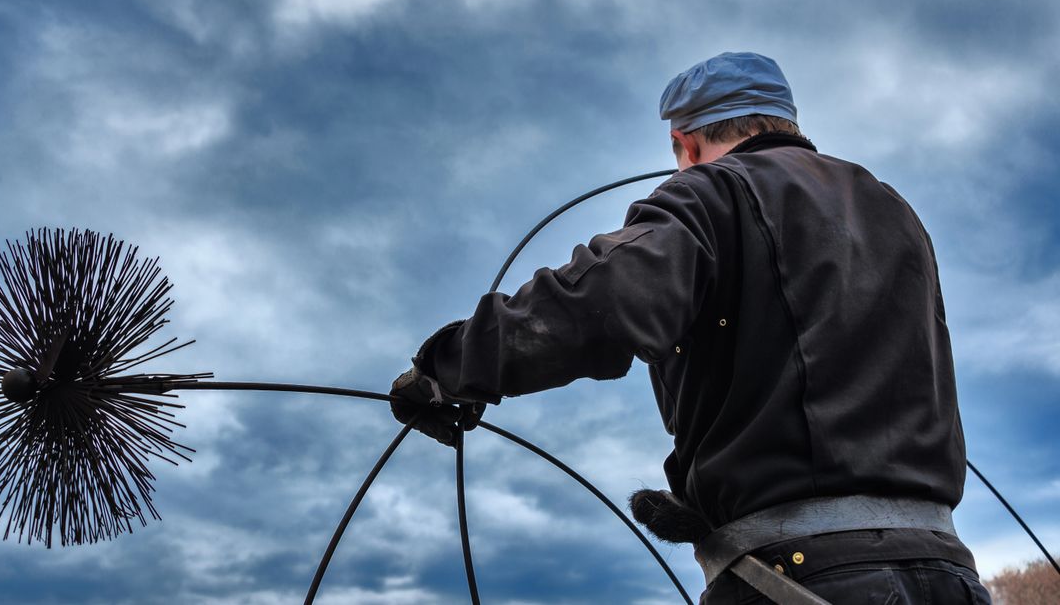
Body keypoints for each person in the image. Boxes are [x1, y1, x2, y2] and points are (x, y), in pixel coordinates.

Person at [389, 52, 991, 603]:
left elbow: (606, 295)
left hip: (801, 578)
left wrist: (445, 369)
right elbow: (814, 385)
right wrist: (699, 506)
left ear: (686, 142)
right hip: (950, 573)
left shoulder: (711, 192)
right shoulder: (894, 210)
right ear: (783, 121)